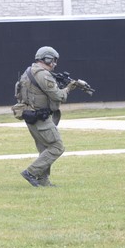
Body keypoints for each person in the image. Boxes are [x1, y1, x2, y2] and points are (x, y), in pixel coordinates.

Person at [15, 46, 76, 187]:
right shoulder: (43, 75)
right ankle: (31, 172)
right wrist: (68, 88)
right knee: (57, 147)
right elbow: (58, 96)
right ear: (46, 59)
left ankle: (43, 181)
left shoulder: (28, 72)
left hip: (30, 116)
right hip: (41, 117)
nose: (55, 64)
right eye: (53, 60)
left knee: (44, 149)